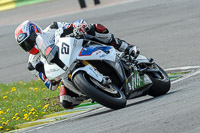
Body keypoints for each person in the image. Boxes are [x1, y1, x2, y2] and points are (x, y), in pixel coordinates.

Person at [14, 19, 140, 109]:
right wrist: (51, 81)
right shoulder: (33, 63)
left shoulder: (52, 28)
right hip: (66, 72)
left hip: (80, 49)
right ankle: (94, 91)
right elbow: (48, 83)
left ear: (35, 31)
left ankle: (124, 46)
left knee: (95, 28)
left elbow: (73, 25)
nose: (29, 46)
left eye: (29, 40)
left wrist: (77, 27)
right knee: (66, 102)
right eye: (24, 45)